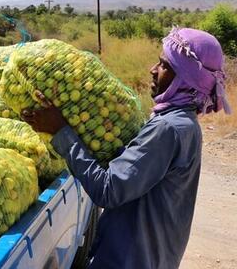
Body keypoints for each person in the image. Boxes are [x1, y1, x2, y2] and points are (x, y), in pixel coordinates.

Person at [21, 28, 232, 269]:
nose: (153, 70)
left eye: (164, 66)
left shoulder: (168, 128)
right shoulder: (183, 121)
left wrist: (61, 132)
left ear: (186, 80)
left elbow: (109, 190)